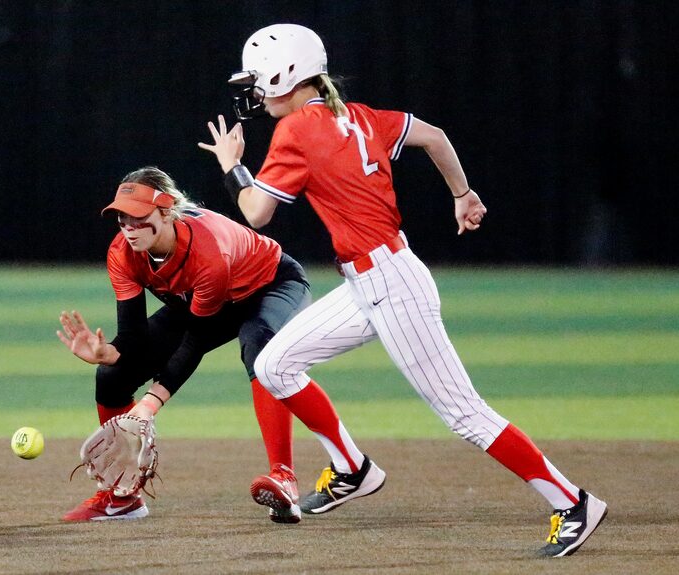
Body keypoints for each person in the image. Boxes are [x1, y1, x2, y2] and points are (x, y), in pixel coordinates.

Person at [199, 23, 607, 557]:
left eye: (259, 81)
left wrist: (233, 167)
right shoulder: (359, 115)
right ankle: (352, 468)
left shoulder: (296, 130)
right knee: (275, 366)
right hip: (370, 279)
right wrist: (463, 193)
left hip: (392, 286)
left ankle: (571, 501)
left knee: (464, 413)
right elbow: (434, 136)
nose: (255, 91)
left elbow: (257, 214)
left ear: (286, 75)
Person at [56, 165, 312, 523]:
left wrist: (151, 402)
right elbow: (132, 339)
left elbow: (196, 341)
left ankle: (284, 477)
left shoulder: (207, 251)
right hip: (203, 302)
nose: (128, 228)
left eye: (138, 217)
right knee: (111, 376)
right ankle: (123, 498)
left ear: (167, 210)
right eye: (121, 219)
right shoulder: (123, 252)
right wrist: (109, 352)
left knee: (260, 348)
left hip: (270, 285)